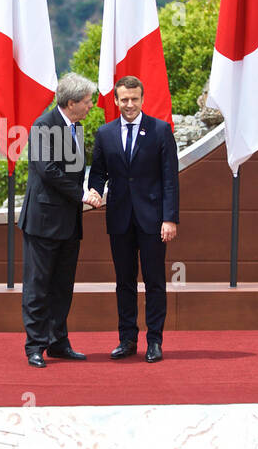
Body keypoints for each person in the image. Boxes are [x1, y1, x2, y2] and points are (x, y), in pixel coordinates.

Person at [86, 75, 179, 362]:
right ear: (115, 100)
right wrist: (94, 191)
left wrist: (170, 219)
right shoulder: (105, 133)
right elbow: (99, 171)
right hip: (119, 218)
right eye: (124, 99)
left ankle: (154, 341)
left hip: (153, 220)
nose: (129, 104)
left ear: (142, 99)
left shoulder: (160, 130)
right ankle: (127, 339)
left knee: (154, 281)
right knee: (124, 281)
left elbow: (169, 179)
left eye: (134, 99)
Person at [18, 72, 97, 368]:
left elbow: (76, 170)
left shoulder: (77, 127)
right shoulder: (43, 126)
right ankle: (35, 346)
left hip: (68, 222)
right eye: (88, 102)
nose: (91, 106)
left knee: (63, 285)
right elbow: (48, 170)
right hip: (43, 221)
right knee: (39, 285)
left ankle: (58, 341)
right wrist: (82, 195)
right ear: (72, 102)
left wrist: (90, 189)